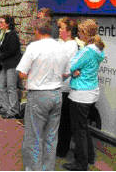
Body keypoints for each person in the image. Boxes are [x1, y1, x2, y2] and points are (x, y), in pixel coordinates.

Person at [16, 18, 68, 171]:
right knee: (51, 136)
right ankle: (47, 169)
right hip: (57, 94)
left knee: (34, 135)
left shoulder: (34, 47)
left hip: (39, 95)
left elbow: (22, 73)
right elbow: (66, 74)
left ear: (38, 31)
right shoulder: (62, 48)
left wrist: (36, 74)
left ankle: (34, 169)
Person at [63, 19, 105, 171]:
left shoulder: (87, 50)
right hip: (91, 93)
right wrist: (75, 71)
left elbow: (71, 65)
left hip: (80, 94)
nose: (78, 35)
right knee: (83, 127)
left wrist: (73, 71)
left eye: (80, 32)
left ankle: (81, 164)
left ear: (86, 33)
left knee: (78, 130)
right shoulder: (98, 49)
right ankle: (90, 156)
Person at [55, 17, 79, 158]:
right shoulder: (60, 43)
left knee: (64, 120)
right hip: (57, 86)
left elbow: (62, 64)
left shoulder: (71, 46)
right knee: (57, 119)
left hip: (65, 87)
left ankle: (62, 150)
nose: (59, 30)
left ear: (69, 31)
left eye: (61, 28)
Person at [0, 15, 22, 119]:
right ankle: (6, 107)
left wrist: (0, 56)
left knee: (11, 87)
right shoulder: (1, 33)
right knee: (0, 86)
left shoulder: (12, 35)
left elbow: (12, 51)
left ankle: (14, 111)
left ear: (8, 24)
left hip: (12, 64)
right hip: (5, 64)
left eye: (1, 22)